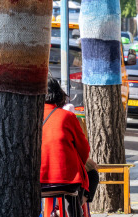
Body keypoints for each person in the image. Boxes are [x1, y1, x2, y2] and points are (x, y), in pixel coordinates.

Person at [41, 77, 90, 217]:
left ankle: (54, 211)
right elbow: (84, 149)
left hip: (36, 179)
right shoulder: (67, 116)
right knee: (74, 187)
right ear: (58, 93)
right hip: (66, 181)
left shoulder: (29, 117)